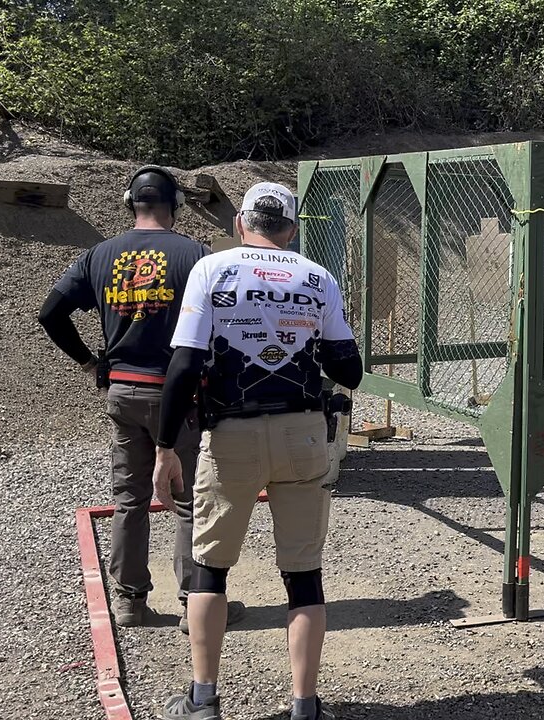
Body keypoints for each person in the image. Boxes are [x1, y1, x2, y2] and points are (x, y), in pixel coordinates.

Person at [152, 182, 362, 720]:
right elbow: (348, 370)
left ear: (242, 222)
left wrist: (164, 448)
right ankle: (304, 706)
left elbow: (184, 366)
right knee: (304, 573)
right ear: (291, 229)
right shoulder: (318, 278)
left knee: (210, 568)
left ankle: (202, 699)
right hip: (304, 434)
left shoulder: (212, 269)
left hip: (232, 436)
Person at [38, 165, 246, 632]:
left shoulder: (99, 254)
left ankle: (131, 601)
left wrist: (91, 363)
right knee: (191, 498)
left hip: (124, 391)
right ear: (173, 205)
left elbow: (50, 314)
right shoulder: (195, 254)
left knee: (129, 498)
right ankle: (197, 604)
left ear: (131, 203)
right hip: (180, 395)